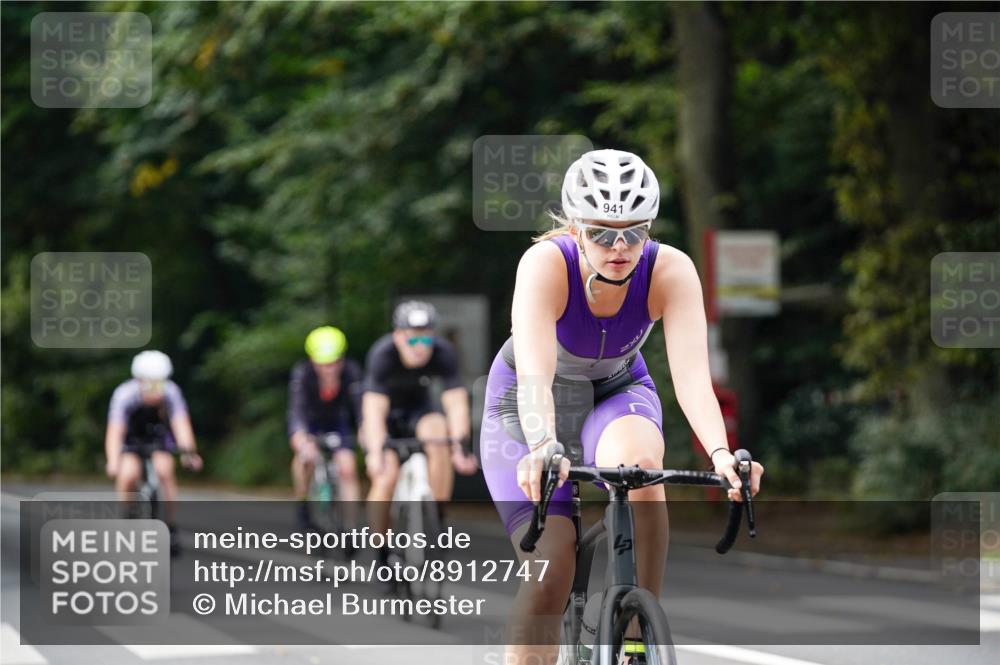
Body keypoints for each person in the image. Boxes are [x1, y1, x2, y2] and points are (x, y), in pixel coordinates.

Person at [479, 149, 765, 663]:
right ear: (574, 227)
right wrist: (544, 445)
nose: (619, 247)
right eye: (601, 233)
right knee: (551, 571)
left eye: (634, 232)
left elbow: (693, 378)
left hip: (615, 390)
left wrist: (722, 455)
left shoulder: (669, 270)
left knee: (643, 473)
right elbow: (537, 378)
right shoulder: (546, 264)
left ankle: (636, 631)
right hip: (526, 403)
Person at [362, 301, 479, 562]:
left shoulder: (443, 352)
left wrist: (460, 447)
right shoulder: (383, 354)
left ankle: (436, 519)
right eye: (413, 340)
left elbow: (456, 403)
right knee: (385, 476)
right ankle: (382, 552)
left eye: (426, 338)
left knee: (439, 435)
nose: (420, 347)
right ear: (398, 336)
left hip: (419, 412)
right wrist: (374, 452)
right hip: (386, 418)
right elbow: (373, 410)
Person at [105, 350, 202, 553]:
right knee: (128, 474)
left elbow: (181, 424)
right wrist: (113, 460)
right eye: (151, 384)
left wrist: (189, 453)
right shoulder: (125, 395)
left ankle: (171, 526)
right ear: (139, 381)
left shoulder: (171, 393)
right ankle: (126, 520)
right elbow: (115, 431)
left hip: (157, 437)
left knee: (165, 471)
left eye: (160, 383)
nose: (156, 390)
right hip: (131, 440)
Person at [288, 326, 364, 531]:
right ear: (313, 360)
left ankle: (350, 527)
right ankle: (303, 502)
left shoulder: (351, 371)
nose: (329, 368)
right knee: (304, 459)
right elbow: (297, 411)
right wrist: (302, 440)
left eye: (334, 363)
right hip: (310, 423)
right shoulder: (303, 374)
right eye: (323, 364)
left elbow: (360, 408)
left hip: (338, 423)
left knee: (347, 467)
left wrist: (364, 429)